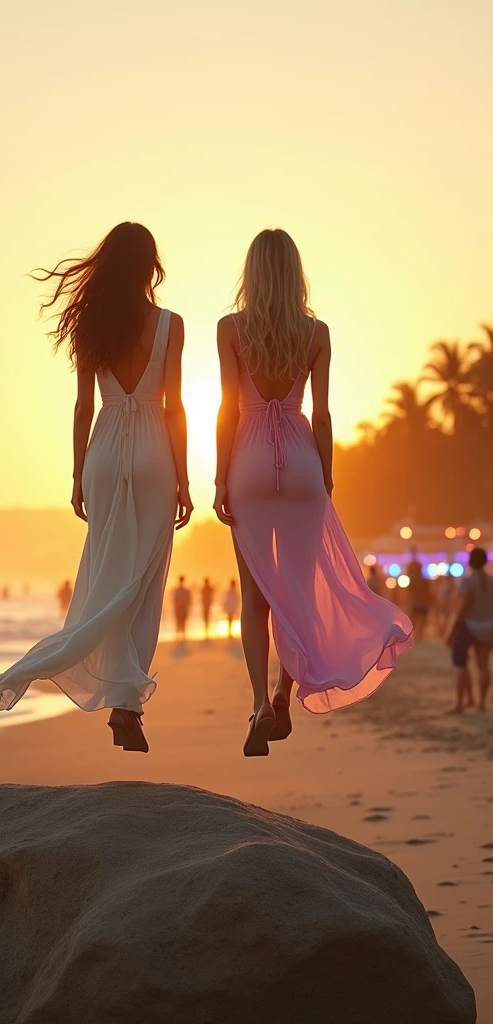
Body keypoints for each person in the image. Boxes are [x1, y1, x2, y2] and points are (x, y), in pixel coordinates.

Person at [0, 222, 192, 753]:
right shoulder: (170, 324)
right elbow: (175, 408)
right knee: (144, 581)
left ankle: (79, 672)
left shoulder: (92, 325)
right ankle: (127, 705)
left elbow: (84, 406)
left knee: (108, 573)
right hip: (154, 450)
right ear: (150, 263)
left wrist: (78, 472)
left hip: (103, 449)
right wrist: (185, 477)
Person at [214, 228, 412, 756]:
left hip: (249, 462)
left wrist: (218, 479)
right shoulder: (316, 333)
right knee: (295, 593)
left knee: (255, 594)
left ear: (252, 273)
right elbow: (322, 414)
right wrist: (324, 479)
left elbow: (228, 410)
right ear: (295, 272)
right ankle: (283, 692)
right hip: (300, 459)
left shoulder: (230, 329)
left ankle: (258, 704)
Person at [447, 548, 493, 713]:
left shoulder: (467, 581)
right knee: (483, 665)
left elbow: (462, 608)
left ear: (470, 561)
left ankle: (461, 703)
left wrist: (451, 630)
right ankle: (481, 704)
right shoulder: (491, 580)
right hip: (488, 627)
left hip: (469, 626)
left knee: (460, 664)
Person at [405, 550, 430, 641]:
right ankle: (420, 635)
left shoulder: (414, 580)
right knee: (420, 620)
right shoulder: (424, 580)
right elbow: (428, 592)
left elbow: (410, 591)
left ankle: (417, 635)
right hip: (421, 602)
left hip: (416, 602)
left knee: (415, 620)